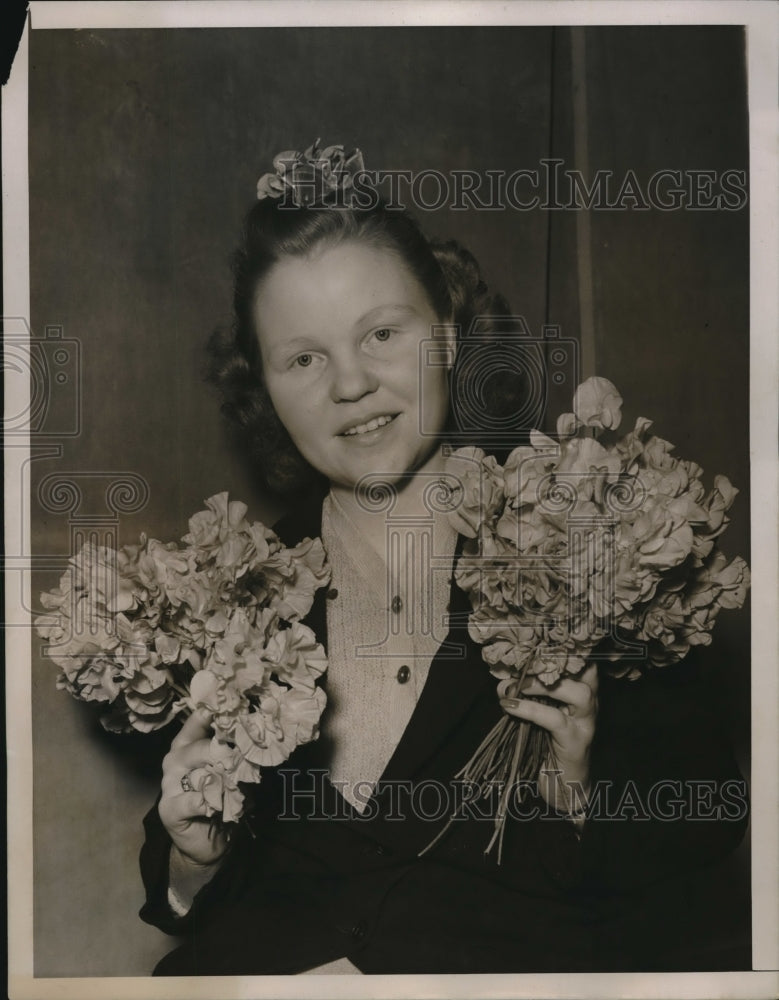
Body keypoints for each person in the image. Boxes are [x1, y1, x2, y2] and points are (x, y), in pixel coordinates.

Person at [139, 142, 749, 975]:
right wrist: (192, 856)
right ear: (265, 387)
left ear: (451, 336)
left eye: (382, 333)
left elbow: (702, 837)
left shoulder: (592, 537)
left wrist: (576, 777)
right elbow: (183, 891)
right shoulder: (234, 586)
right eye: (303, 358)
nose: (349, 384)